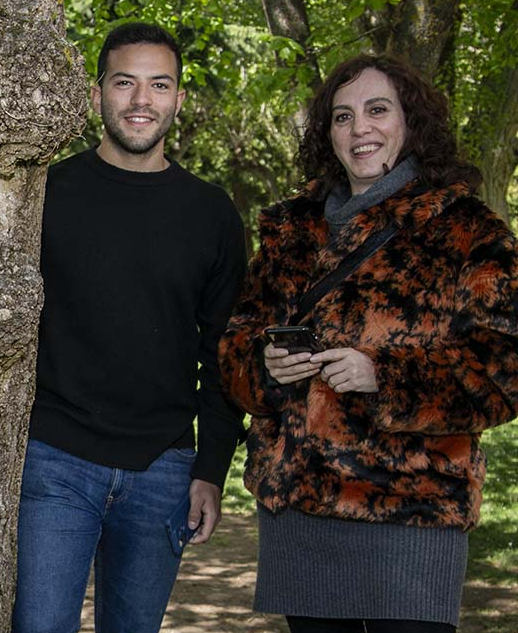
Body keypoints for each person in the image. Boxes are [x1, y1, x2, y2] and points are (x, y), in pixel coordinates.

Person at [219, 54, 518, 633]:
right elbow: (235, 348)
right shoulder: (290, 230)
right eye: (342, 116)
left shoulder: (467, 230)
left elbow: (505, 370)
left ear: (410, 121)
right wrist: (265, 366)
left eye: (377, 110)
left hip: (412, 512)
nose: (360, 130)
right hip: (300, 506)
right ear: (326, 133)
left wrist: (385, 375)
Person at [12, 22, 247, 633]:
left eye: (159, 85)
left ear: (178, 99)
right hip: (54, 458)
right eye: (125, 83)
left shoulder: (211, 212)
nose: (142, 101)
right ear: (97, 95)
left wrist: (210, 470)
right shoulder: (45, 194)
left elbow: (223, 352)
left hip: (163, 467)